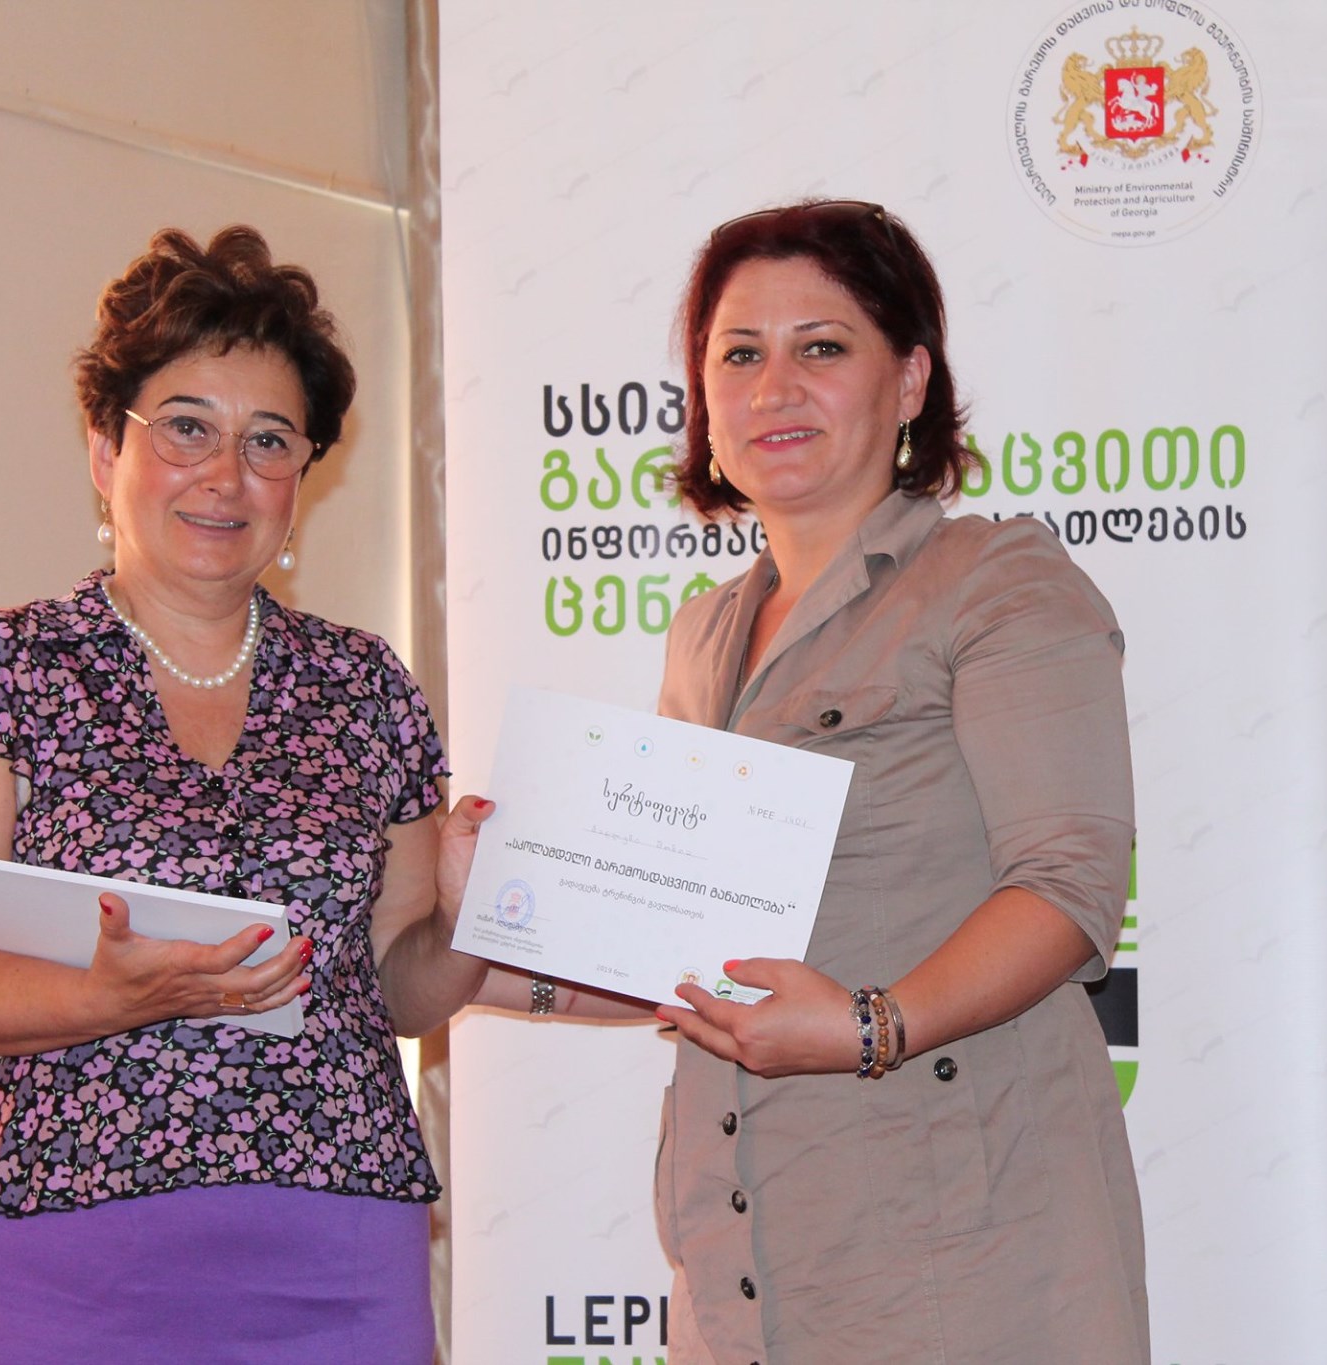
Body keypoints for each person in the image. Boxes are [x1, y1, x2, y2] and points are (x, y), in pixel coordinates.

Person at [462, 200, 1150, 1362]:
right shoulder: (703, 635)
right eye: (738, 356)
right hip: (744, 1263)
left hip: (959, 1261)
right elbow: (680, 940)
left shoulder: (996, 582)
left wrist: (870, 1026)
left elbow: (1067, 886)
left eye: (820, 347)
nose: (773, 388)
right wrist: (488, 921)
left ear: (910, 380)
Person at [0, 225, 483, 1364]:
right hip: (56, 1245)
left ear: (302, 476)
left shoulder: (365, 685)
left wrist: (466, 918)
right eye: (187, 428)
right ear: (105, 448)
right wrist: (106, 995)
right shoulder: (5, 663)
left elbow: (397, 992)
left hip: (333, 1247)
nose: (226, 475)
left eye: (269, 441)